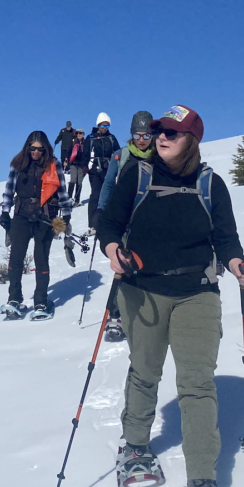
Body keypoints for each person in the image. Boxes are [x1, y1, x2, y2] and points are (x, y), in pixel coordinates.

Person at [96, 105, 244, 487]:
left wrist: (239, 266)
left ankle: (203, 482)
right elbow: (109, 225)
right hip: (142, 290)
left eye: (172, 132)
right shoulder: (138, 174)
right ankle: (134, 446)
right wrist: (114, 252)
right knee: (145, 370)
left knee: (197, 384)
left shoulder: (211, 184)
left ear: (192, 140)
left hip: (197, 292)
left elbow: (226, 238)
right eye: (158, 130)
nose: (160, 136)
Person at [0, 131, 73, 320]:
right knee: (16, 258)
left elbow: (62, 190)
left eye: (40, 149)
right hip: (21, 216)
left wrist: (66, 215)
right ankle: (14, 299)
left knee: (41, 259)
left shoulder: (53, 164)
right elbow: (9, 189)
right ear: (27, 147)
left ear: (45, 149)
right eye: (33, 148)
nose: (36, 152)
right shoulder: (18, 164)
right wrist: (5, 213)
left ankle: (41, 301)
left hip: (45, 218)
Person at [95, 110, 154, 342]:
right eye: (138, 134)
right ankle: (115, 316)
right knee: (123, 266)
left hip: (150, 220)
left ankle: (146, 312)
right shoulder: (121, 156)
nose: (142, 139)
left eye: (147, 135)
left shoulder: (158, 157)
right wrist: (101, 211)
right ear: (131, 134)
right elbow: (108, 186)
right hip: (125, 220)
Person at [84, 113, 119, 232]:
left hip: (109, 170)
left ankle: (109, 221)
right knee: (95, 195)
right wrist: (84, 166)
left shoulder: (112, 138)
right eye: (103, 126)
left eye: (107, 126)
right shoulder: (91, 137)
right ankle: (93, 224)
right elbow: (85, 153)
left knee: (109, 194)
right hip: (95, 170)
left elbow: (118, 153)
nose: (105, 129)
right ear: (98, 125)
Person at [66, 128, 87, 204]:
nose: (78, 134)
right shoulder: (73, 142)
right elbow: (68, 152)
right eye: (77, 133)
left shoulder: (86, 143)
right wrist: (67, 160)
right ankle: (69, 197)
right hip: (73, 164)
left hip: (81, 165)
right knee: (73, 180)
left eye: (80, 133)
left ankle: (77, 199)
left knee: (79, 182)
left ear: (83, 134)